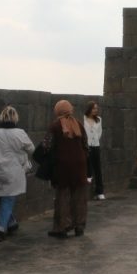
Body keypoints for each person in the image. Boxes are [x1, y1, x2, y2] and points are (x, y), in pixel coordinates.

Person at [0, 106, 35, 242]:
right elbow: (31, 149)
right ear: (15, 118)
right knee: (8, 199)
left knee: (2, 197)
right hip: (12, 170)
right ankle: (0, 230)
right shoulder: (19, 133)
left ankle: (11, 223)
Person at [47, 100, 88, 238]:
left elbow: (47, 146)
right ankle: (79, 226)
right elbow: (86, 145)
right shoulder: (79, 125)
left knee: (62, 196)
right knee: (79, 197)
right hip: (79, 165)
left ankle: (62, 227)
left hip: (63, 166)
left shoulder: (55, 126)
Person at [83, 101, 105, 201]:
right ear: (89, 109)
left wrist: (95, 140)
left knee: (98, 168)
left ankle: (100, 191)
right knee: (88, 167)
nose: (96, 110)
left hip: (96, 145)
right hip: (87, 147)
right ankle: (87, 185)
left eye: (96, 108)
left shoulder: (99, 120)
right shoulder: (84, 119)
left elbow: (99, 133)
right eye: (94, 108)